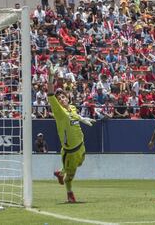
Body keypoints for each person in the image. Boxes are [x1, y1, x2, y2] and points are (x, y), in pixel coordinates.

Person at [47, 60, 95, 203]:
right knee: (71, 175)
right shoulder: (59, 111)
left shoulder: (73, 107)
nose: (61, 99)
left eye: (63, 96)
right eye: (59, 98)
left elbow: (75, 116)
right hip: (70, 150)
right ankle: (69, 193)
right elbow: (50, 94)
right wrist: (50, 78)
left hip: (81, 146)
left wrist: (83, 119)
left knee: (79, 164)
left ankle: (61, 172)